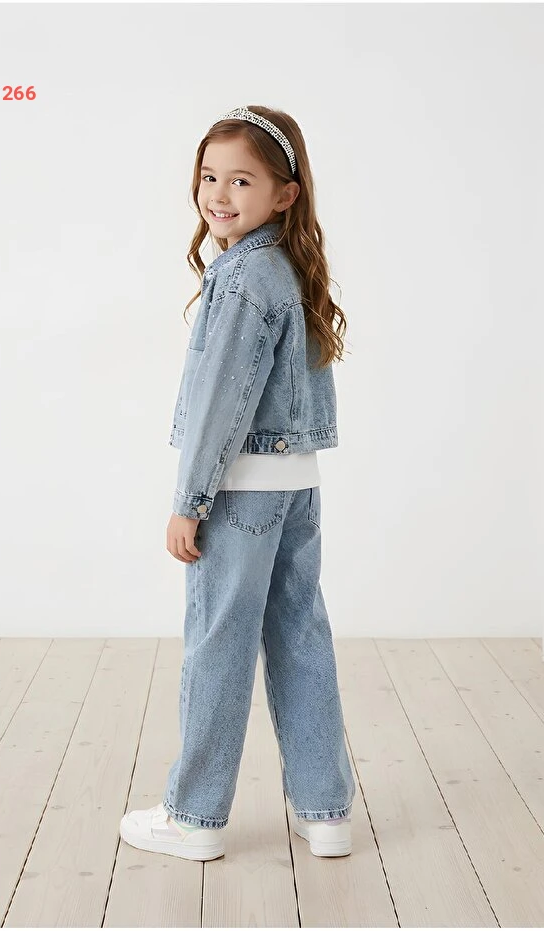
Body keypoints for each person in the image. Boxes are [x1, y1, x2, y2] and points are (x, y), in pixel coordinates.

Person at [120, 105, 356, 862]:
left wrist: (189, 502)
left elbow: (222, 404)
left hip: (238, 493)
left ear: (284, 194)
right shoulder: (288, 267)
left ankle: (194, 818)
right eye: (209, 176)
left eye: (242, 181)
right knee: (299, 637)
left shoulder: (244, 277)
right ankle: (325, 813)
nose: (218, 195)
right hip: (295, 488)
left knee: (217, 644)